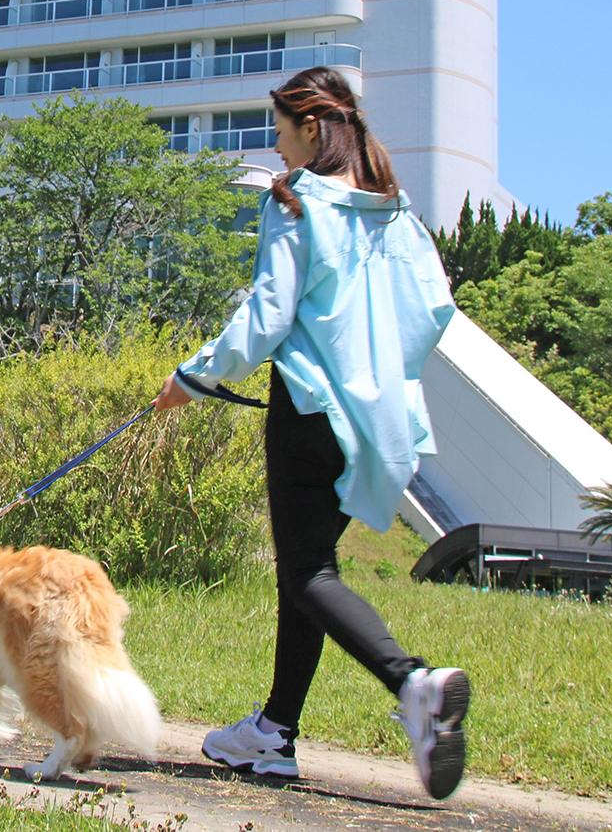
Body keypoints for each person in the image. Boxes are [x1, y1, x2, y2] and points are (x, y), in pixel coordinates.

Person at [151, 66, 469, 800]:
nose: (276, 140)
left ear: (313, 129)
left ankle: (413, 681)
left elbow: (265, 319)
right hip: (373, 416)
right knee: (306, 569)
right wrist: (375, 368)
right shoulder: (395, 211)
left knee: (308, 573)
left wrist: (192, 376)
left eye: (283, 127)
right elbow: (435, 309)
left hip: (308, 408)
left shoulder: (295, 202)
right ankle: (274, 732)